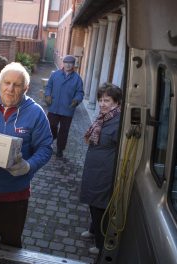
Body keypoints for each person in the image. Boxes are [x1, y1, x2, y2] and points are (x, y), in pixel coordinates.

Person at [0, 62, 53, 248]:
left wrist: (29, 165)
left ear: (26, 88)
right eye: (6, 82)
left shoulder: (36, 114)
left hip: (15, 195)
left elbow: (46, 148)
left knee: (11, 243)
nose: (10, 89)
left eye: (17, 85)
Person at [79, 83, 122, 255]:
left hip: (105, 171)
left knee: (100, 206)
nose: (102, 104)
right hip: (94, 168)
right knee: (92, 200)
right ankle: (92, 230)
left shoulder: (118, 121)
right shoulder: (104, 117)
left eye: (107, 100)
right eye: (101, 100)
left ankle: (100, 244)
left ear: (117, 102)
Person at [44, 55, 84, 158]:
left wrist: (76, 100)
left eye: (70, 63)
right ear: (63, 63)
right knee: (51, 126)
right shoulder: (55, 75)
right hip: (54, 107)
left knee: (64, 131)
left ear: (73, 65)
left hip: (67, 109)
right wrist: (48, 95)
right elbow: (48, 86)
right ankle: (50, 140)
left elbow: (80, 92)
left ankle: (60, 149)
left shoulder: (77, 79)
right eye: (66, 62)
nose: (68, 64)